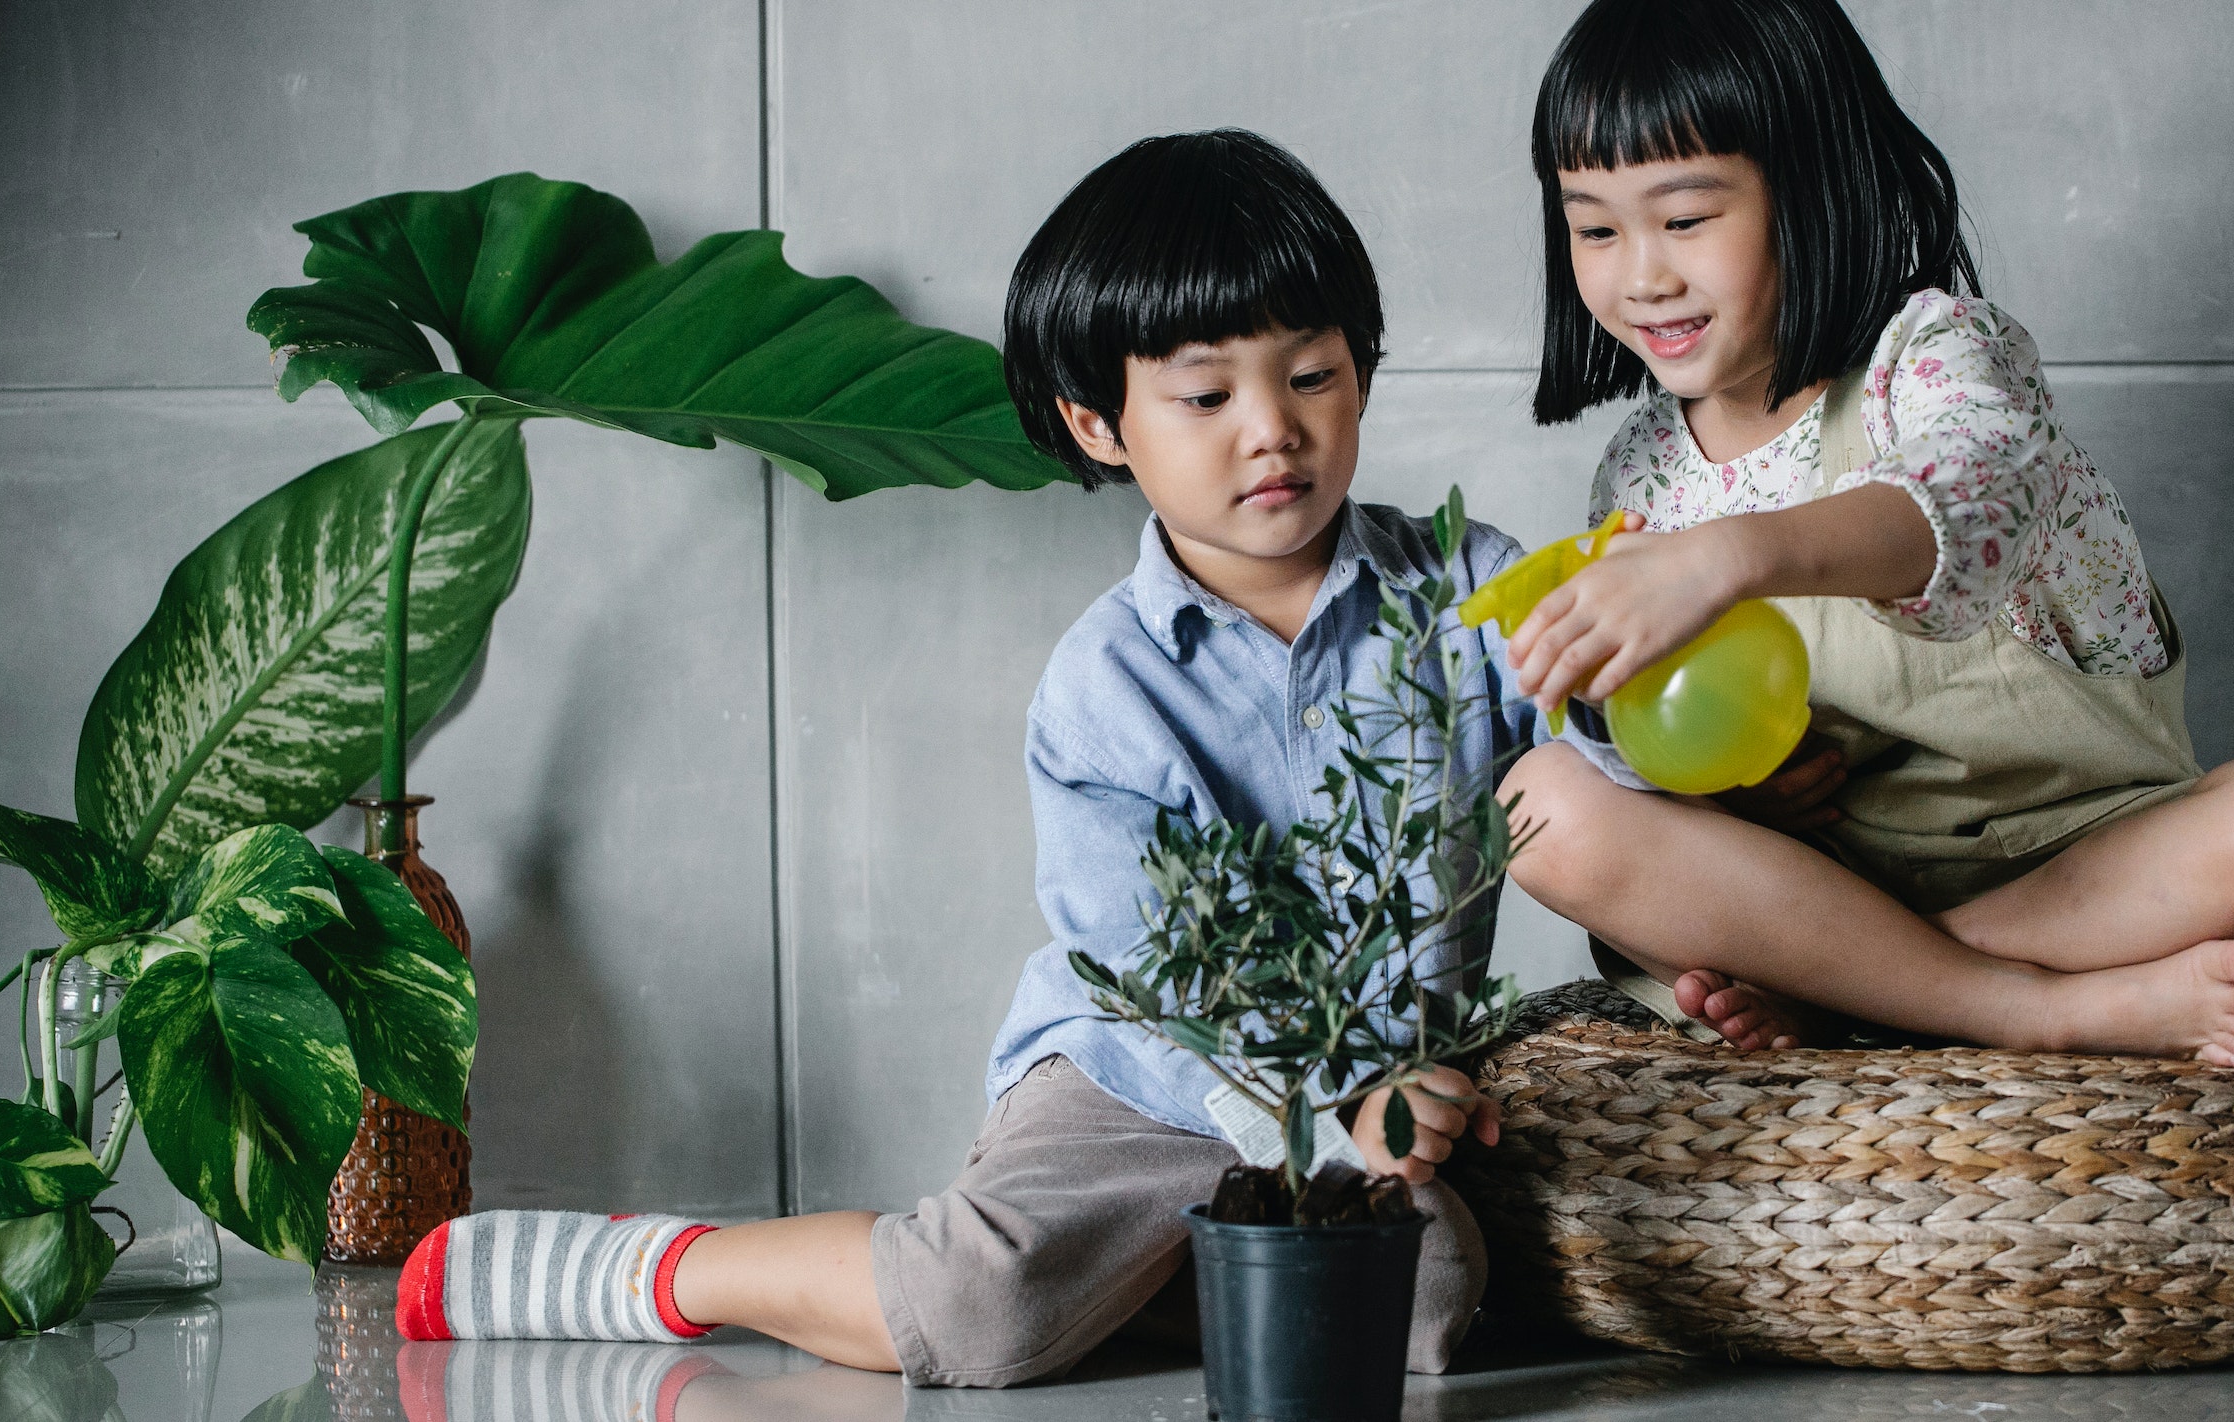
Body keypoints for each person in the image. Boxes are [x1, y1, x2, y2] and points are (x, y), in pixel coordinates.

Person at [392, 129, 1532, 1387]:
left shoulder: (1468, 590)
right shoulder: (1106, 687)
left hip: (1365, 1108)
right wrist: (1322, 1124)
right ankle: (672, 1267)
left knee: (1430, 1302)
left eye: (1311, 374)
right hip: (1135, 1083)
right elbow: (1148, 983)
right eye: (1206, 397)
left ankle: (1124, 1279)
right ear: (1099, 426)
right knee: (984, 1305)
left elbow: (1601, 770)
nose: (1273, 429)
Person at [1499, 0, 2234, 1065]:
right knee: (1538, 806)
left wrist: (1727, 556)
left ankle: (1883, 990)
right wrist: (1729, 790)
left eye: (1685, 219)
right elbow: (1662, 739)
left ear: (1813, 192)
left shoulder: (1939, 359)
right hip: (1815, 888)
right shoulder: (1639, 471)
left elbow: (1962, 509)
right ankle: (2024, 1008)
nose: (1641, 274)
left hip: (2084, 867)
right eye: (1595, 227)